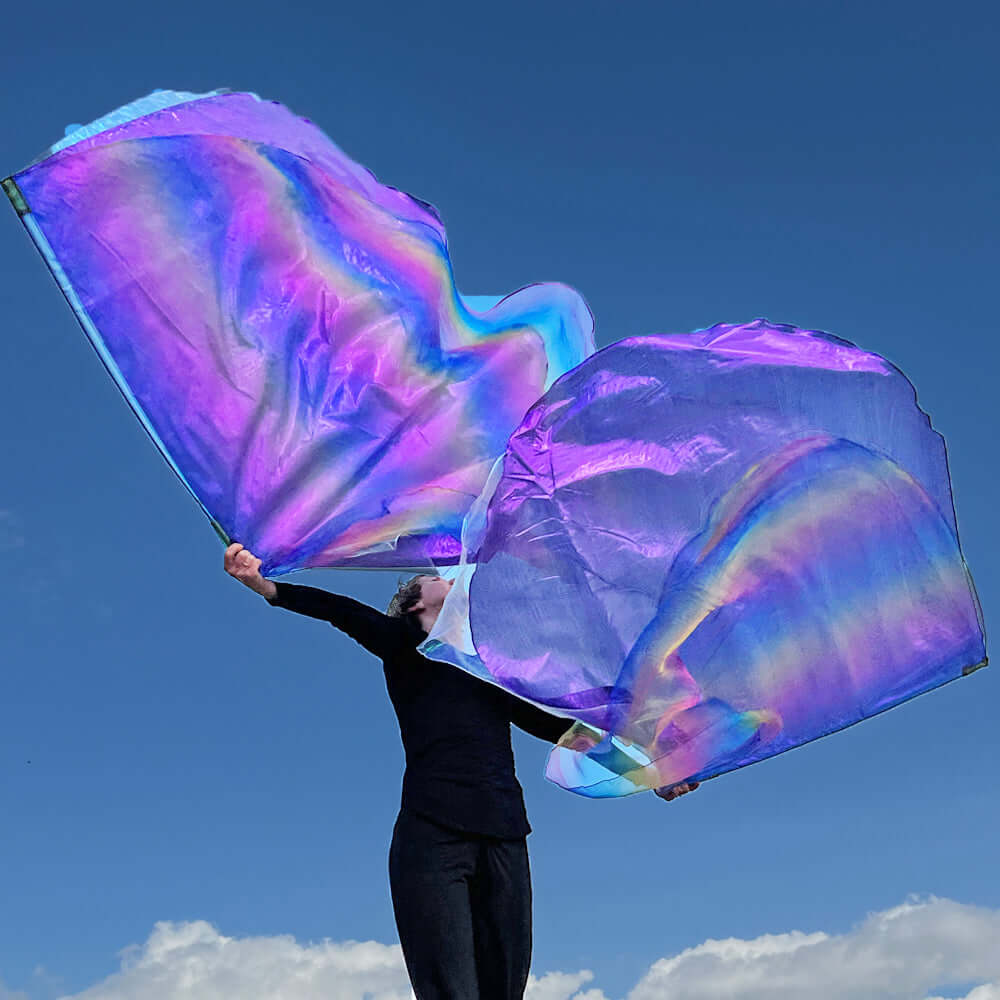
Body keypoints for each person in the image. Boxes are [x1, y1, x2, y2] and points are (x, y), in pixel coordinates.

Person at [223, 542, 697, 999]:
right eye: (432, 578)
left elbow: (563, 728)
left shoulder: (487, 670)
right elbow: (342, 611)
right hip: (433, 833)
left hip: (504, 832)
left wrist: (653, 771)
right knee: (453, 988)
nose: (444, 577)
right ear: (413, 607)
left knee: (505, 987)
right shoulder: (405, 646)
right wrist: (266, 587)